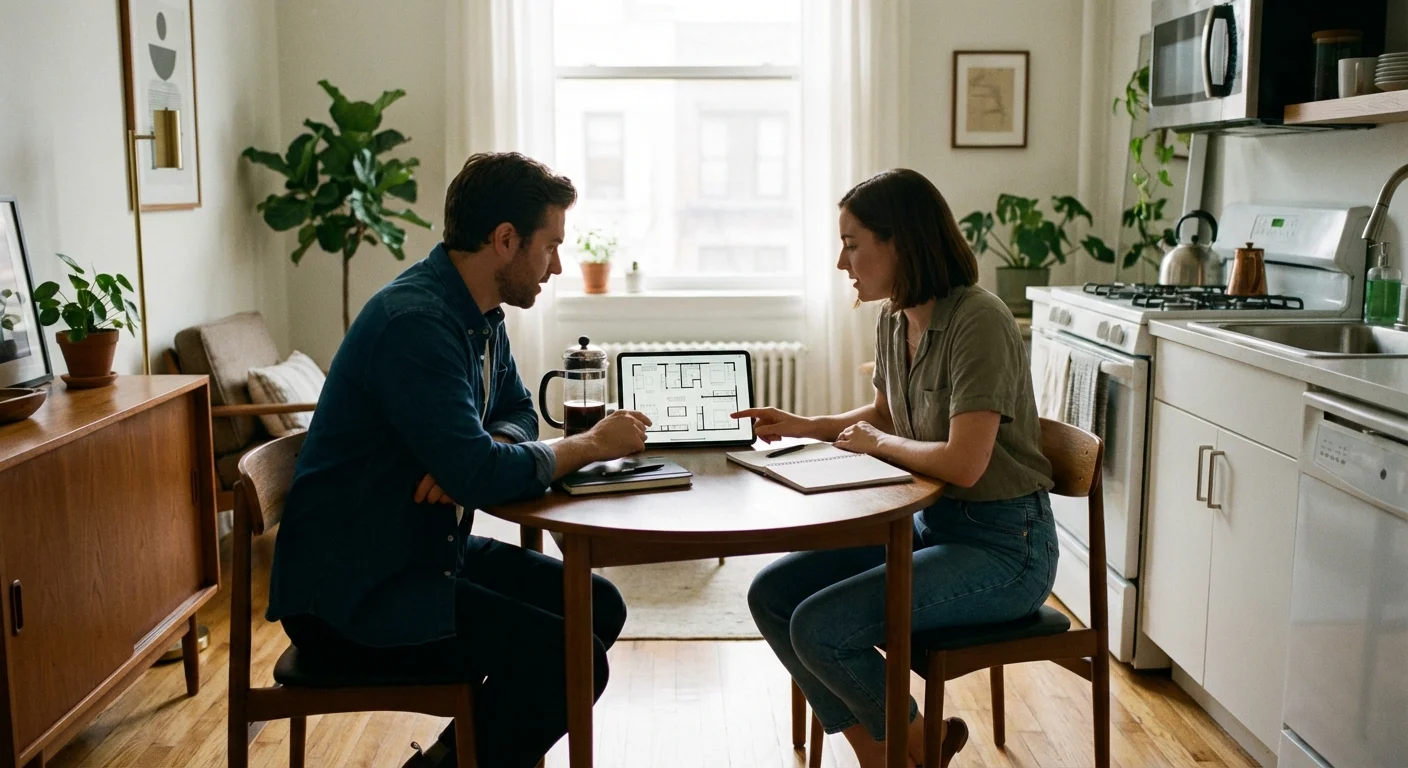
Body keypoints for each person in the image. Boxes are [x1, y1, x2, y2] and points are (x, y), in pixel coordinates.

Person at [265, 152, 653, 768]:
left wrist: (478, 451)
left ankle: (463, 758)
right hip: (354, 593)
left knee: (598, 605)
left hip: (421, 551)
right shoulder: (417, 324)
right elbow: (480, 473)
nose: (557, 266)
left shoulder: (479, 315)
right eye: (550, 246)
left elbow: (519, 414)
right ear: (504, 240)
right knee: (570, 656)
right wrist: (590, 445)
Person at [735, 169, 1057, 768]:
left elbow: (963, 463)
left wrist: (876, 443)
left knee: (820, 628)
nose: (841, 261)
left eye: (852, 243)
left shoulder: (977, 320)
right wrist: (808, 425)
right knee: (772, 595)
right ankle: (899, 752)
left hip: (1006, 549)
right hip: (928, 530)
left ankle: (904, 750)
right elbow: (885, 412)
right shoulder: (893, 317)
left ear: (899, 242)